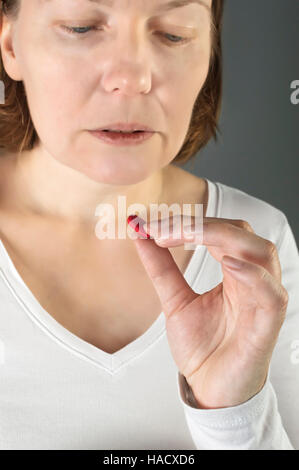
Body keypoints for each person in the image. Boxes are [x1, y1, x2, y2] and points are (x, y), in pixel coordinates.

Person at [0, 0, 298, 451]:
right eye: (82, 28)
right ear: (10, 45)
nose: (134, 78)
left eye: (174, 34)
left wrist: (234, 412)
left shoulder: (257, 246)